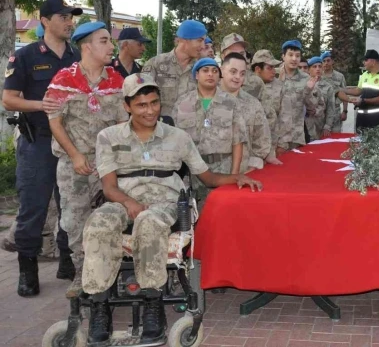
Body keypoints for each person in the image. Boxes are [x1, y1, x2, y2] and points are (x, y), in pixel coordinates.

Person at [81, 73, 262, 345]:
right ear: (127, 106)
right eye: (142, 105)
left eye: (154, 103)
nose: (150, 110)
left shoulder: (178, 137)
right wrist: (128, 203)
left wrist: (237, 178)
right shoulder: (108, 137)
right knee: (98, 223)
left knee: (150, 223)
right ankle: (99, 307)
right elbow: (109, 187)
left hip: (164, 202)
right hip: (122, 200)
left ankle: (153, 303)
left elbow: (207, 177)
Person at [3, 0, 82, 296]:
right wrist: (41, 104)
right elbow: (9, 98)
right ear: (45, 21)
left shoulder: (76, 57)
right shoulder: (25, 56)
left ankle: (67, 262)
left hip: (71, 144)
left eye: (71, 17)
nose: (69, 21)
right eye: (63, 17)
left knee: (71, 205)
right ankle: (28, 269)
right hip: (38, 143)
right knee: (33, 208)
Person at [46, 21, 128, 297]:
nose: (111, 46)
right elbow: (55, 122)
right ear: (87, 47)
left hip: (108, 164)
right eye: (104, 41)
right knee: (75, 220)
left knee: (111, 217)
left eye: (110, 40)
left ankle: (110, 273)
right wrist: (75, 154)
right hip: (75, 165)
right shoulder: (64, 79)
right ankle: (83, 274)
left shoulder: (116, 80)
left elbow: (122, 122)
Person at [172, 58, 247, 205]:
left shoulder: (231, 103)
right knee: (192, 217)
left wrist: (233, 175)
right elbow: (174, 139)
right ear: (196, 75)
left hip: (223, 167)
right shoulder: (182, 103)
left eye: (214, 71)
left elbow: (238, 141)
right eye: (205, 71)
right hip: (191, 170)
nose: (210, 74)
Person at [219, 52, 277, 172]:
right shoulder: (206, 100)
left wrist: (254, 163)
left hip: (244, 173)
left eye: (242, 73)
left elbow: (262, 138)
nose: (237, 77)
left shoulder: (253, 104)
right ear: (221, 70)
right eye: (233, 71)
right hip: (210, 175)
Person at [141, 19, 207, 118]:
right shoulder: (156, 64)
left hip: (191, 130)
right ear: (185, 40)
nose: (203, 46)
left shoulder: (203, 69)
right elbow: (142, 99)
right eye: (200, 40)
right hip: (162, 129)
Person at [276, 40, 320, 155]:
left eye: (297, 56)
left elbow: (312, 108)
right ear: (283, 56)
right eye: (290, 55)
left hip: (297, 138)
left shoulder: (306, 79)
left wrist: (308, 90)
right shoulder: (274, 75)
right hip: (276, 138)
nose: (294, 59)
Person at [337, 49, 379, 130]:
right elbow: (358, 91)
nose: (364, 62)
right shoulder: (364, 75)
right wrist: (342, 89)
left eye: (366, 60)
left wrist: (363, 101)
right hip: (361, 117)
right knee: (359, 141)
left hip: (377, 118)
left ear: (373, 61)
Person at [252, 50, 284, 149]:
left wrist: (282, 144)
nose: (274, 71)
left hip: (273, 144)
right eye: (270, 68)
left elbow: (284, 117)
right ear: (258, 69)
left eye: (274, 67)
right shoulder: (243, 86)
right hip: (251, 145)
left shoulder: (279, 86)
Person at [220, 33, 266, 101]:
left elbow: (266, 110)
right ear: (223, 57)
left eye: (241, 53)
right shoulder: (211, 81)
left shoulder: (256, 82)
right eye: (233, 54)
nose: (238, 57)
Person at [304, 56, 336, 141]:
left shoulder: (328, 86)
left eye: (320, 66)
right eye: (314, 67)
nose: (318, 69)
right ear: (309, 69)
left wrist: (327, 126)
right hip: (304, 124)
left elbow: (331, 108)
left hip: (319, 125)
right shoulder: (303, 84)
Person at [320, 51, 348, 132]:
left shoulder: (339, 76)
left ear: (332, 61)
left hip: (335, 112)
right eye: (323, 61)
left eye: (328, 60)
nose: (326, 63)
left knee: (336, 136)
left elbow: (344, 94)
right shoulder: (319, 76)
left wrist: (345, 111)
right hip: (322, 112)